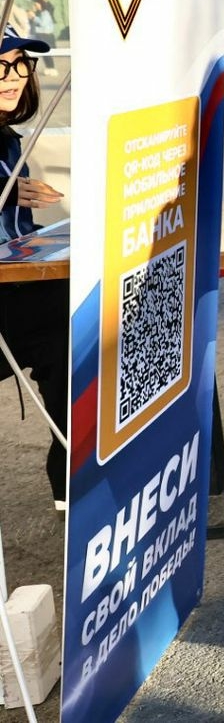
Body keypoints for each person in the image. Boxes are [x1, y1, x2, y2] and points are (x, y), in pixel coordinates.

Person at [0, 29, 67, 512]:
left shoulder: (7, 139)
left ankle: (72, 471)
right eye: (1, 66)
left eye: (21, 63)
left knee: (86, 314)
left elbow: (16, 232)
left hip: (17, 291)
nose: (15, 77)